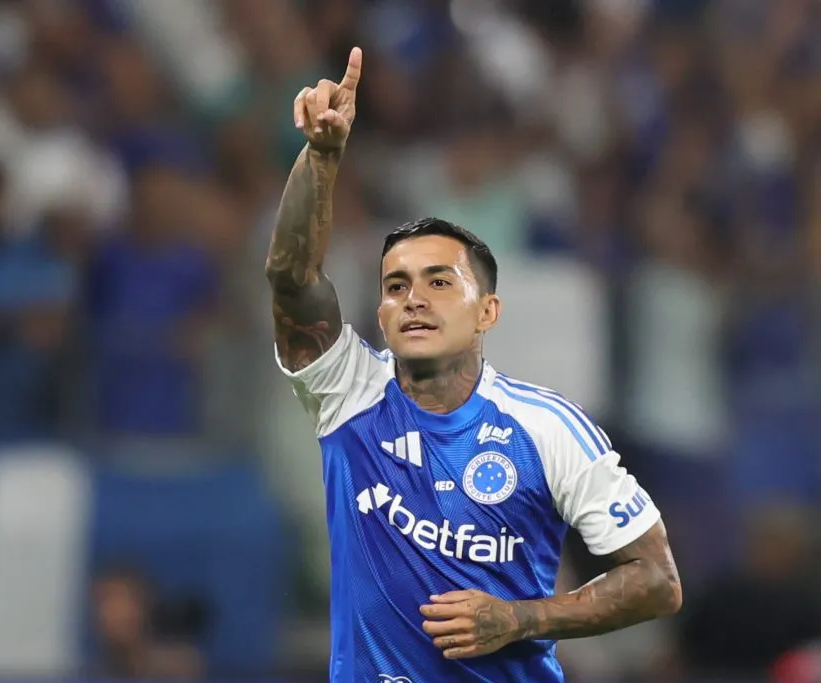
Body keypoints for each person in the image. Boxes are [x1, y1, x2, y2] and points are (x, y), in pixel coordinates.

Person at [264, 47, 682, 682]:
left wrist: (522, 620)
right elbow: (292, 279)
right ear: (380, 315)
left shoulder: (548, 428)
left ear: (487, 311)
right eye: (396, 286)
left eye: (439, 282)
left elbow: (657, 580)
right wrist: (322, 159)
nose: (415, 299)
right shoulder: (348, 392)